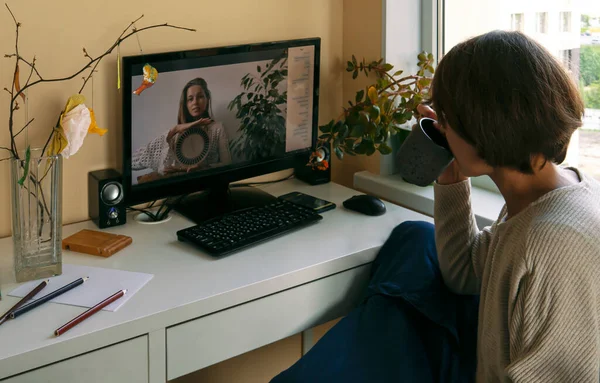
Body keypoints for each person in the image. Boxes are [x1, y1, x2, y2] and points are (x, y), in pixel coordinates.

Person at [271, 30, 600, 383]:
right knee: (414, 239)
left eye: (446, 116)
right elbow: (462, 274)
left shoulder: (550, 246)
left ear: (484, 126)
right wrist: (450, 171)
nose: (439, 124)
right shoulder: (546, 195)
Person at [132, 77, 232, 183]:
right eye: (190, 99)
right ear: (185, 104)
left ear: (207, 99)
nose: (195, 102)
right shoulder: (176, 135)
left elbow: (227, 163)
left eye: (200, 97)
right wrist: (174, 130)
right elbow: (132, 162)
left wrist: (202, 167)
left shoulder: (217, 128)